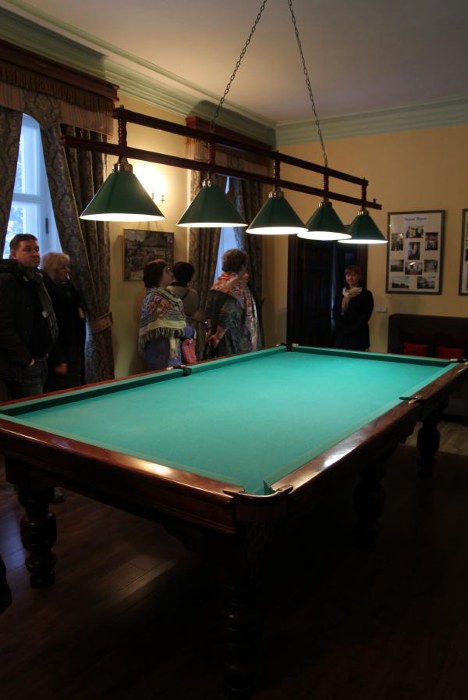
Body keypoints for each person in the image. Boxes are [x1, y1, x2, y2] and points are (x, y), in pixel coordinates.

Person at [0, 234, 58, 402]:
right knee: (34, 412)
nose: (35, 253)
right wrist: (27, 360)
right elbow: (3, 327)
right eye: (28, 249)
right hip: (23, 365)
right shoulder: (7, 281)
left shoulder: (36, 278)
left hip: (41, 358)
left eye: (37, 249)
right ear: (14, 254)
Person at [41, 252, 87, 392]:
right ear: (53, 269)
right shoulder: (49, 292)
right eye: (63, 268)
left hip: (73, 348)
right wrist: (58, 359)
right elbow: (50, 329)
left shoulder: (67, 287)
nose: (68, 271)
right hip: (61, 353)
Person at [205, 248, 259, 357]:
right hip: (234, 341)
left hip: (215, 338)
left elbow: (208, 310)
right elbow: (228, 312)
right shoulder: (236, 286)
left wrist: (210, 331)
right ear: (242, 266)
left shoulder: (217, 284)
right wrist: (218, 336)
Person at [138, 259, 186, 370]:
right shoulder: (155, 298)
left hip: (169, 349)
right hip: (161, 351)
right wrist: (192, 332)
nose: (171, 274)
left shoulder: (166, 295)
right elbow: (175, 325)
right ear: (158, 275)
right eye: (167, 271)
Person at [333, 264, 374, 351]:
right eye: (348, 275)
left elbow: (365, 316)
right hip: (341, 336)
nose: (350, 278)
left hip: (358, 336)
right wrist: (342, 327)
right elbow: (335, 312)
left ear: (359, 277)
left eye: (353, 275)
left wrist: (350, 329)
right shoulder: (340, 293)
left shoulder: (366, 294)